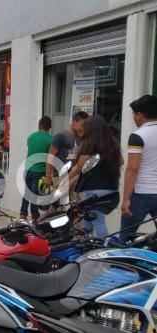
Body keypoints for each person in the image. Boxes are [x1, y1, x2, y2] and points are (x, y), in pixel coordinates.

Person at [66, 116, 122, 238]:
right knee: (88, 218)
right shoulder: (113, 144)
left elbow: (79, 167)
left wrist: (64, 180)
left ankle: (103, 249)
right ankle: (85, 243)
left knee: (97, 220)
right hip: (110, 187)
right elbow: (121, 162)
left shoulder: (89, 145)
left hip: (93, 187)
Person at [121, 95, 157, 242]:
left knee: (125, 238)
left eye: (134, 114)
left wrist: (125, 200)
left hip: (141, 194)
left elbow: (132, 168)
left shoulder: (137, 136)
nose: (134, 118)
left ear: (139, 115)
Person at [21, 117, 53, 222]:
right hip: (40, 170)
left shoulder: (31, 137)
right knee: (35, 193)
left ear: (39, 124)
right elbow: (50, 157)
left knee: (27, 192)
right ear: (50, 127)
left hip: (28, 168)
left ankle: (23, 213)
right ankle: (35, 216)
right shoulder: (50, 140)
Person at [44, 111, 87, 187]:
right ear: (74, 122)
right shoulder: (61, 136)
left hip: (75, 178)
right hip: (60, 178)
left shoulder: (81, 139)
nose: (84, 127)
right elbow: (51, 157)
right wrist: (48, 177)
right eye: (82, 124)